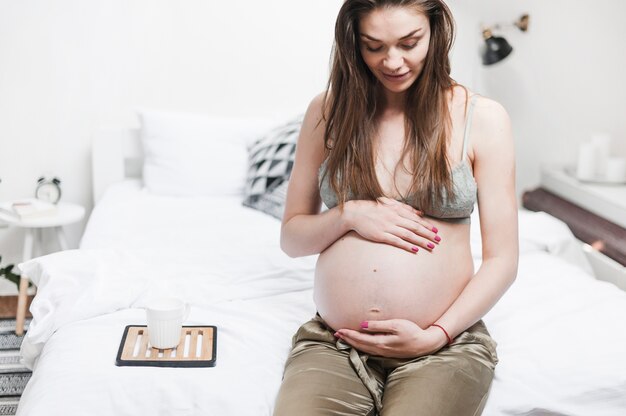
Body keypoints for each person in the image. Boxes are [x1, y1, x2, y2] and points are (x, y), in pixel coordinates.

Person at [274, 0, 518, 414]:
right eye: (374, 46)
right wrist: (347, 215)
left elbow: (503, 260)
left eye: (409, 43)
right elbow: (291, 239)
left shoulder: (483, 118)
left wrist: (437, 334)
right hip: (335, 343)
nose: (392, 61)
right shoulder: (327, 111)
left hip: (445, 346)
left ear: (435, 33)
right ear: (354, 44)